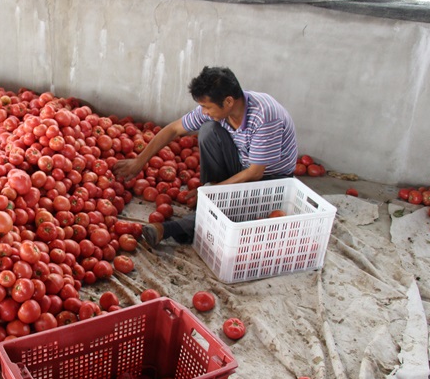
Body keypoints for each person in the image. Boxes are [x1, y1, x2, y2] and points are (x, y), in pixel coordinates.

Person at [112, 66, 298, 247]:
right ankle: (209, 200)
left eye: (206, 106)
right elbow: (174, 129)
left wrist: (211, 191)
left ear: (228, 102)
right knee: (209, 130)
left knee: (233, 208)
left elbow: (255, 173)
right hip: (243, 164)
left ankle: (171, 228)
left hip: (272, 180)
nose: (203, 111)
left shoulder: (265, 117)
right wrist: (139, 161)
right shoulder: (220, 108)